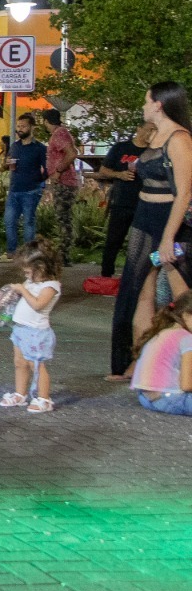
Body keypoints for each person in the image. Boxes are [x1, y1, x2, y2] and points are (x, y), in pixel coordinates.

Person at [109, 83, 192, 380]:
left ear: (159, 104)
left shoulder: (180, 139)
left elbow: (183, 193)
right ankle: (137, 362)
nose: (143, 105)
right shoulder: (154, 135)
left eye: (146, 100)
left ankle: (186, 365)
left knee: (183, 298)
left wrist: (168, 237)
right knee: (138, 292)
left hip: (170, 222)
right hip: (144, 219)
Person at [0, 238, 62, 413]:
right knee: (20, 362)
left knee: (36, 365)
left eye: (28, 272)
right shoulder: (32, 282)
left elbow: (38, 304)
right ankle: (20, 394)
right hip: (20, 329)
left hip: (36, 332)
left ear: (41, 268)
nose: (26, 275)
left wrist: (23, 290)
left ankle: (44, 398)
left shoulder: (51, 286)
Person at [95, 123, 154, 277]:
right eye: (148, 129)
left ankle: (140, 275)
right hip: (121, 202)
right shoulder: (121, 148)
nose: (150, 133)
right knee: (113, 240)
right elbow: (103, 170)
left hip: (145, 204)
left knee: (143, 243)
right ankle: (106, 275)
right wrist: (119, 175)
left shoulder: (154, 150)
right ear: (138, 128)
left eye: (154, 130)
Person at [132, 291, 192, 415]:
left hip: (145, 397)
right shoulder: (187, 339)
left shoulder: (163, 332)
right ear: (186, 315)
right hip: (170, 398)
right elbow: (187, 385)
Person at [1, 113, 47, 260]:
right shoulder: (15, 146)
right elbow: (5, 165)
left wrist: (39, 182)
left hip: (31, 190)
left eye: (23, 126)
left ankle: (28, 253)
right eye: (18, 126)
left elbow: (46, 169)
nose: (20, 129)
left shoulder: (39, 148)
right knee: (9, 221)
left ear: (31, 127)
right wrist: (6, 163)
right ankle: (11, 251)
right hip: (14, 190)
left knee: (28, 222)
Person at [43, 108, 81, 264]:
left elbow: (72, 153)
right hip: (64, 181)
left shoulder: (59, 134)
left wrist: (58, 171)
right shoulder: (60, 133)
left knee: (63, 218)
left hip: (64, 182)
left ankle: (64, 254)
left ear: (46, 121)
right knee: (63, 218)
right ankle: (64, 253)